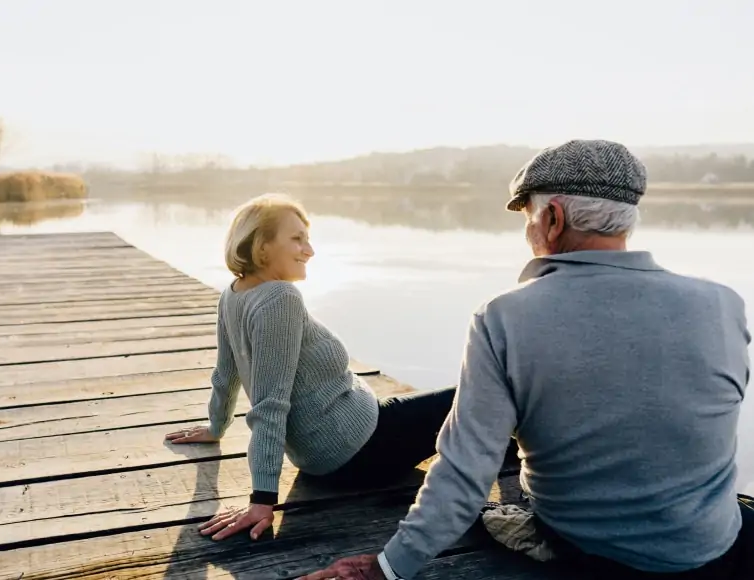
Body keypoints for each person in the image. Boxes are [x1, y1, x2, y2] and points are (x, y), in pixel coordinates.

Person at [298, 139, 752, 580]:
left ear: (552, 218)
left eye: (529, 217)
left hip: (587, 548)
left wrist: (386, 569)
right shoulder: (723, 303)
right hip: (708, 545)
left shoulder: (505, 317)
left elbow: (464, 472)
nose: (528, 231)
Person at [164, 193, 459, 542]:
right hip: (361, 450)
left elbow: (225, 373)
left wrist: (216, 425)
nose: (310, 250)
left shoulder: (234, 293)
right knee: (480, 392)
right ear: (262, 246)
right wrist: (261, 501)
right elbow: (269, 403)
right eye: (296, 239)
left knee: (449, 408)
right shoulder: (280, 299)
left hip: (336, 443)